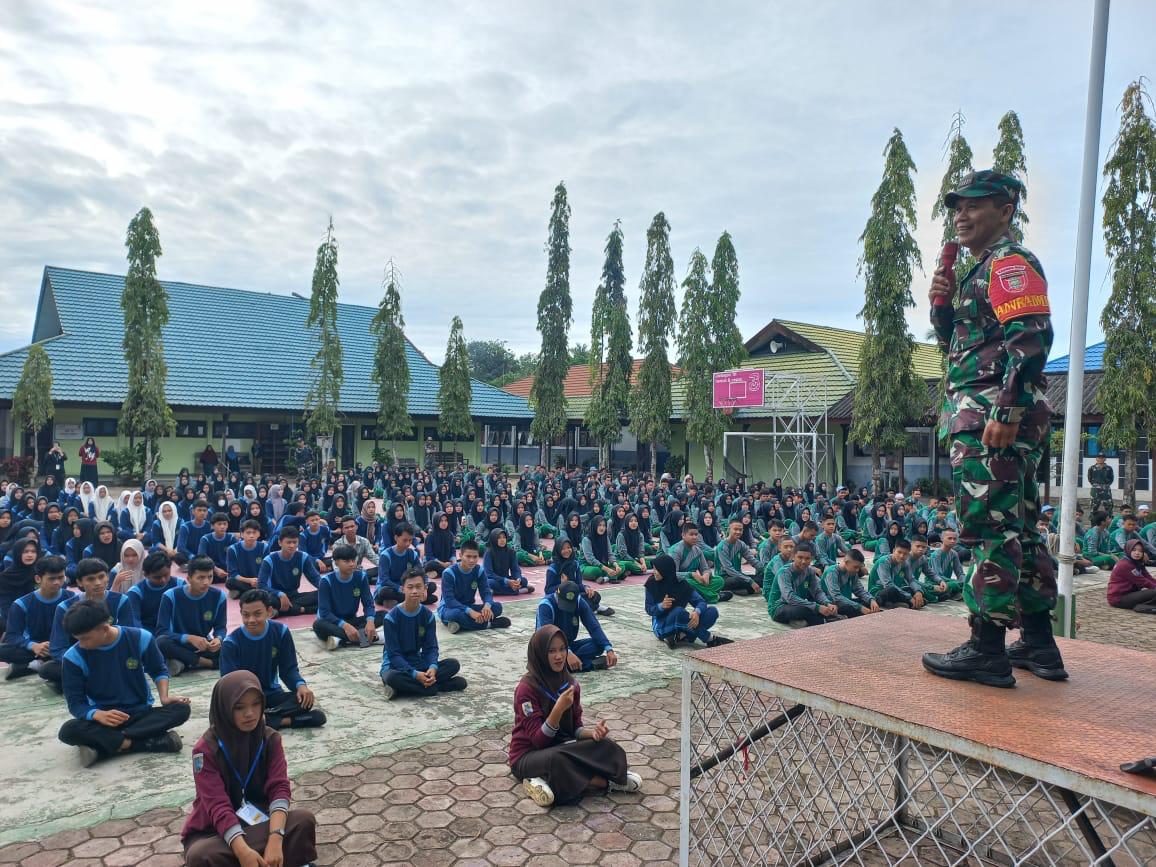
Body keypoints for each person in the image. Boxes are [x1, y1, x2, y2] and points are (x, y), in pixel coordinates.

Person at [922, 170, 1065, 688]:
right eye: (956, 207)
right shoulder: (974, 269)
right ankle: (1039, 644)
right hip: (986, 410)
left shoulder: (1008, 263)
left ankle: (986, 648)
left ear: (1004, 211)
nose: (961, 215)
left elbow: (1030, 338)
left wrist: (1005, 409)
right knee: (1021, 528)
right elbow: (959, 346)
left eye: (974, 206)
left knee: (986, 526)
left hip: (990, 417)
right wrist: (941, 304)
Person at [181, 671, 318, 867]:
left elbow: (279, 788)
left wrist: (276, 839)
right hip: (216, 832)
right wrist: (243, 852)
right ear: (224, 709)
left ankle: (270, 858)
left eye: (256, 704)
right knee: (200, 855)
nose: (250, 713)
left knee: (303, 820)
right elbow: (217, 806)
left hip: (261, 825)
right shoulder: (204, 751)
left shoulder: (270, 739)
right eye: (239, 707)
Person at [508, 625, 641, 807]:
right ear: (539, 654)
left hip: (560, 746)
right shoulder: (526, 689)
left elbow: (574, 729)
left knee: (605, 745)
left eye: (563, 649)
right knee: (558, 759)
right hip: (528, 756)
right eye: (552, 651)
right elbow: (539, 741)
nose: (559, 656)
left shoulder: (570, 684)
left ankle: (545, 780)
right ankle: (605, 782)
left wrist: (592, 734)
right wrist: (558, 710)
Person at [57, 599, 191, 767]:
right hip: (104, 719)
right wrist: (97, 714)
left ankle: (106, 746)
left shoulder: (140, 637)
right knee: (68, 731)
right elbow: (76, 703)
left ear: (105, 629)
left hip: (140, 712)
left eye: (85, 638)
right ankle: (144, 743)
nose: (81, 644)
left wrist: (164, 697)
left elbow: (158, 669)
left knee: (181, 709)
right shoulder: (73, 657)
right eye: (78, 639)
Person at [221, 590, 326, 730]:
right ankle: (285, 721)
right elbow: (229, 685)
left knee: (304, 700)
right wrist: (247, 706)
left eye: (257, 614)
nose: (251, 620)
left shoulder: (281, 632)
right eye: (246, 615)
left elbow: (288, 670)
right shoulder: (231, 643)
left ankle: (262, 720)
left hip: (271, 695)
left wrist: (301, 685)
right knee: (220, 715)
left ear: (269, 612)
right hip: (244, 700)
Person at [41, 557, 139, 690]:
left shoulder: (121, 601)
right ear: (79, 582)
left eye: (101, 577)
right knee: (47, 669)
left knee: (133, 663)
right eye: (91, 579)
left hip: (112, 657)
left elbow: (129, 637)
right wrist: (82, 660)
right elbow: (57, 648)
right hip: (81, 657)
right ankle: (98, 680)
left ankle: (80, 683)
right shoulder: (65, 607)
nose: (98, 583)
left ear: (108, 577)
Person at [380, 568, 466, 700]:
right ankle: (438, 687)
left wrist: (432, 667)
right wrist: (415, 675)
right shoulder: (391, 618)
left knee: (453, 664)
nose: (414, 591)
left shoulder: (428, 616)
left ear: (425, 588)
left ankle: (407, 689)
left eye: (418, 587)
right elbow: (394, 655)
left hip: (418, 662)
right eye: (410, 587)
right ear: (403, 589)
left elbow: (431, 647)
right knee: (391, 678)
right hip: (395, 666)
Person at [0, 555, 72, 679]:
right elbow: (12, 636)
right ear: (38, 579)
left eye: (61, 577)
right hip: (35, 648)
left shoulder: (72, 599)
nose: (57, 582)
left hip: (62, 647)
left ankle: (32, 666)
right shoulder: (21, 604)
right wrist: (33, 646)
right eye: (51, 578)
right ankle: (40, 663)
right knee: (3, 650)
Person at [156, 557, 227, 676]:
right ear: (189, 578)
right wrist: (189, 638)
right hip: (178, 643)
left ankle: (183, 662)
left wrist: (218, 639)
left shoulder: (219, 596)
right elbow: (162, 631)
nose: (206, 582)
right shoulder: (170, 596)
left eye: (210, 577)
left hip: (204, 645)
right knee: (161, 642)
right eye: (201, 578)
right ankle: (208, 663)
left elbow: (221, 627)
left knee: (232, 647)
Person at [643, 554, 730, 649]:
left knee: (712, 612)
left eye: (656, 569)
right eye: (654, 569)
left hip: (681, 623)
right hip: (661, 627)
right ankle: (710, 639)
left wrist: (697, 612)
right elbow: (649, 609)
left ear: (665, 570)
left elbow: (701, 602)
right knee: (679, 611)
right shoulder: (651, 584)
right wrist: (661, 606)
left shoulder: (681, 585)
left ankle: (681, 636)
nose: (654, 572)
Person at [535, 581, 616, 672]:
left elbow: (594, 627)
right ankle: (588, 664)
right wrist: (568, 653)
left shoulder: (579, 601)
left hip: (568, 644)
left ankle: (569, 665)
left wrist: (608, 648)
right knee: (548, 663)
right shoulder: (546, 605)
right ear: (556, 594)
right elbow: (548, 636)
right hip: (548, 647)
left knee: (599, 644)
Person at [313, 543, 379, 650]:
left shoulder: (361, 577)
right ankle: (369, 637)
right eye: (347, 561)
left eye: (353, 560)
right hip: (332, 622)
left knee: (384, 615)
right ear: (336, 563)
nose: (352, 564)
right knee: (318, 625)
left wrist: (370, 621)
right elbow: (325, 613)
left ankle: (340, 639)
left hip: (351, 619)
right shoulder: (326, 581)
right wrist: (345, 626)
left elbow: (368, 604)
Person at [437, 539, 511, 633]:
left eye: (475, 557)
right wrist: (470, 611)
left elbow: (486, 592)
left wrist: (487, 606)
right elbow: (449, 601)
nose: (472, 560)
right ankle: (490, 624)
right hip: (450, 608)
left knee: (497, 607)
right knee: (456, 615)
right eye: (468, 556)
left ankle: (460, 624)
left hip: (469, 605)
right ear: (460, 555)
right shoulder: (449, 573)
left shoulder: (479, 570)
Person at [766, 543, 841, 627]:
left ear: (811, 559)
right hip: (780, 607)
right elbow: (789, 597)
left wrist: (827, 603)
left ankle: (805, 620)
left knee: (831, 600)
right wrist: (817, 607)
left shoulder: (810, 571)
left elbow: (817, 592)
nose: (803, 561)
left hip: (798, 603)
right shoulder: (784, 572)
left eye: (807, 558)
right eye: (800, 557)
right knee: (804, 609)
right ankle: (823, 621)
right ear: (793, 557)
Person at [257, 526, 321, 616]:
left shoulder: (303, 557)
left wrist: (326, 588)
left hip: (295, 596)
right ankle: (305, 609)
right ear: (280, 543)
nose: (292, 545)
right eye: (288, 542)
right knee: (269, 601)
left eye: (295, 542)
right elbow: (261, 585)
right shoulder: (269, 559)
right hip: (276, 597)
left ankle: (284, 611)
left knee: (323, 594)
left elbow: (314, 577)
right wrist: (279, 593)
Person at [668, 522, 730, 604]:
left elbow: (705, 568)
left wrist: (706, 574)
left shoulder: (697, 550)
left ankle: (699, 595)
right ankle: (714, 596)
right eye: (691, 535)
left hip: (695, 581)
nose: (694, 537)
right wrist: (691, 574)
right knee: (688, 583)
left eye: (696, 535)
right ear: (683, 535)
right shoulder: (676, 551)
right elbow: (672, 575)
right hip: (678, 582)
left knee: (719, 580)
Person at [127, 551, 184, 634]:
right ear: (145, 575)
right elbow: (135, 623)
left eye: (166, 575)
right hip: (149, 633)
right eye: (157, 577)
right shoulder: (135, 593)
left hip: (176, 632)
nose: (163, 580)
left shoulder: (180, 585)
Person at [820, 550, 879, 618]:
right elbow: (837, 597)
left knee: (872, 601)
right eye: (855, 567)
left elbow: (859, 590)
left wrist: (871, 600)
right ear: (846, 562)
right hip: (833, 605)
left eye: (859, 568)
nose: (857, 570)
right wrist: (859, 607)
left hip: (847, 602)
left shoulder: (852, 572)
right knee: (852, 609)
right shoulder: (832, 572)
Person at [714, 518, 761, 596]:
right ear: (729, 529)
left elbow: (752, 560)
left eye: (740, 530)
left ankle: (740, 590)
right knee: (741, 581)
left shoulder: (741, 544)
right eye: (735, 529)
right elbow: (729, 570)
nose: (738, 532)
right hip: (724, 577)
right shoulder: (722, 546)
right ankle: (739, 589)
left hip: (739, 575)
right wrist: (750, 581)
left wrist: (766, 570)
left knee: (759, 579)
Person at [1107, 539, 1156, 613]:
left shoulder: (1138, 562)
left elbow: (1148, 577)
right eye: (1134, 550)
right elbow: (1143, 581)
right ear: (1128, 550)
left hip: (1130, 593)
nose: (1137, 553)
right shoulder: (1125, 564)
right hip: (1118, 599)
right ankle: (1142, 607)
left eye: (1140, 551)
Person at [484, 528, 532, 596]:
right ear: (494, 539)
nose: (502, 540)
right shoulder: (489, 553)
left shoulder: (510, 552)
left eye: (504, 537)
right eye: (499, 538)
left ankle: (496, 592)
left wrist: (517, 580)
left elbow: (515, 569)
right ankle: (519, 591)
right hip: (496, 580)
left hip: (507, 579)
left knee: (524, 580)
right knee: (489, 583)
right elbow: (489, 574)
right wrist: (506, 581)